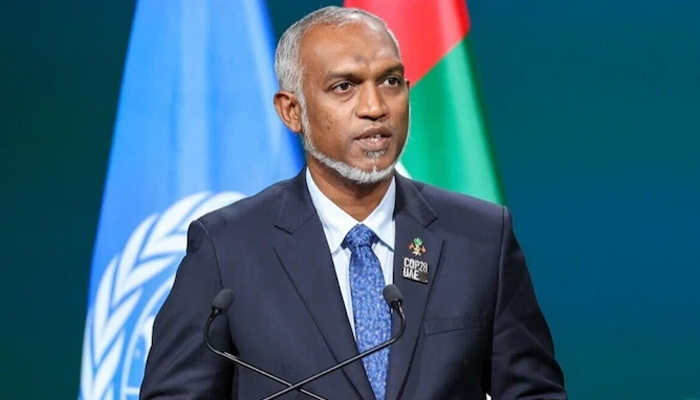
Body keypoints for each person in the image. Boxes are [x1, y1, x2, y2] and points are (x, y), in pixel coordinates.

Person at [139, 6, 566, 400]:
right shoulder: (227, 248)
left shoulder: (480, 238)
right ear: (292, 111)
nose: (375, 107)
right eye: (344, 87)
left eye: (390, 82)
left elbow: (534, 394)